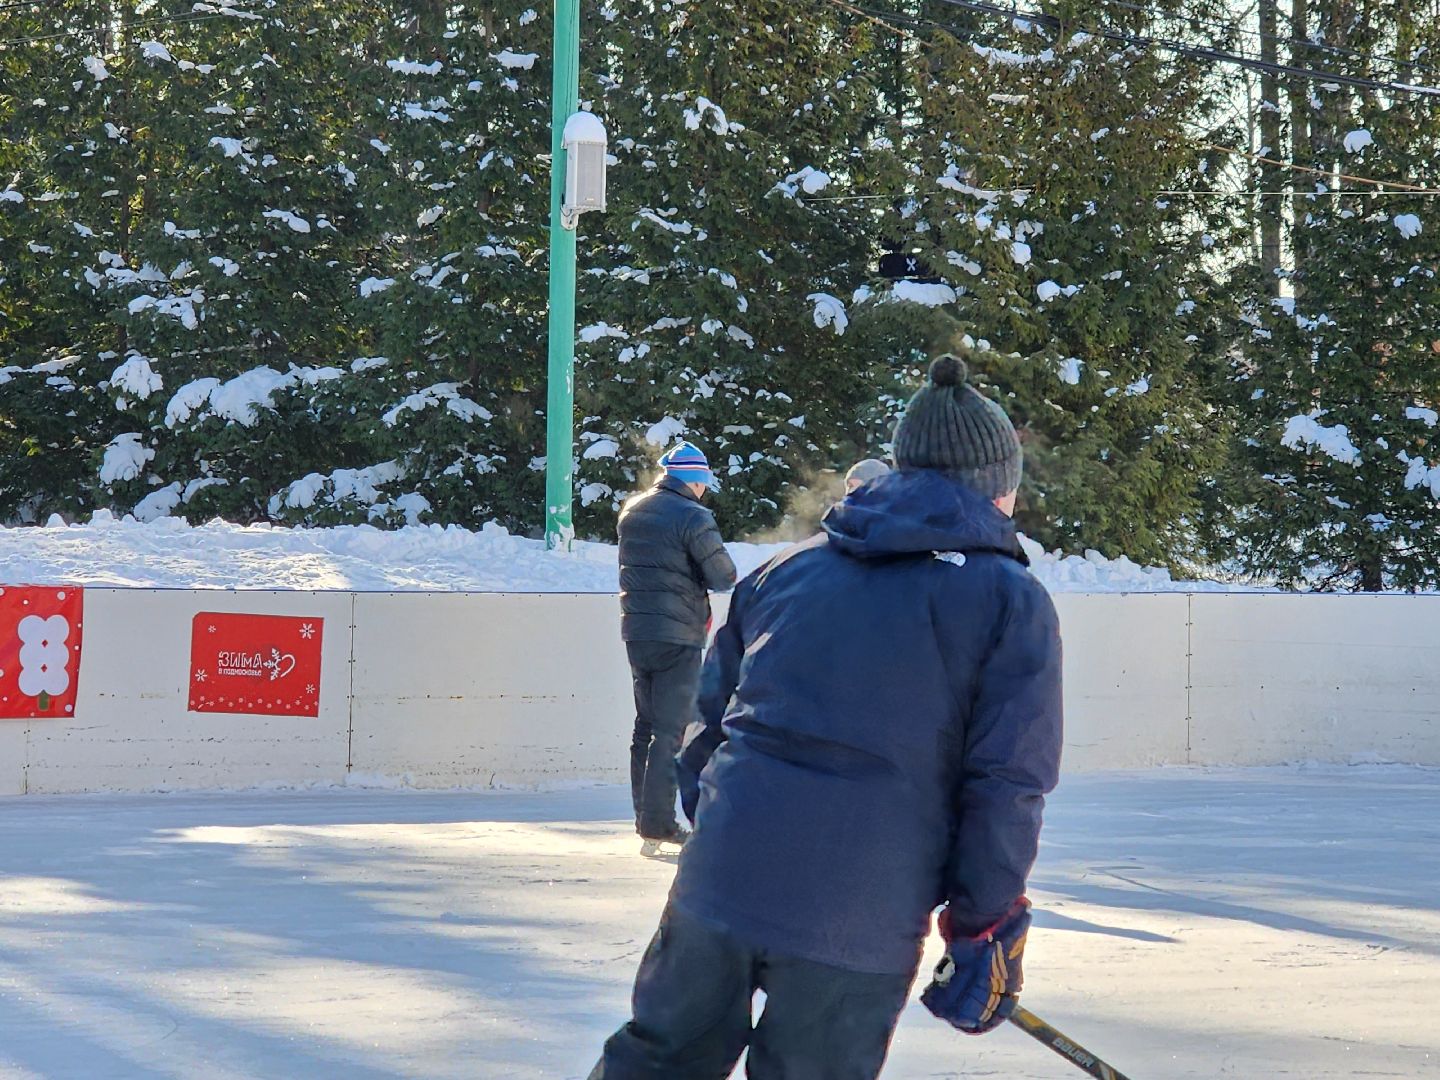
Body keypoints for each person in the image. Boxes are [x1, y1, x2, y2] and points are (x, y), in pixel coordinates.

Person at [591, 355, 1063, 1080]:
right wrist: (985, 926)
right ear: (996, 485)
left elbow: (704, 726)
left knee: (655, 1062)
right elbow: (1007, 782)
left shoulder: (790, 568)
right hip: (858, 916)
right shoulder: (1010, 600)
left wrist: (723, 827)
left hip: (719, 882)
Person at [616, 440, 737, 856]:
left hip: (637, 631)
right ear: (695, 480)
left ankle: (645, 821)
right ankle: (660, 825)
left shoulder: (633, 510)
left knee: (645, 727)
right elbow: (723, 575)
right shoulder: (692, 515)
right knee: (671, 731)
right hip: (679, 634)